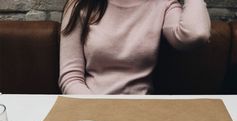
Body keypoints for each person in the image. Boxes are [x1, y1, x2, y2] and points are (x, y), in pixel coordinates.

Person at [59, 0, 211, 95]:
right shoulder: (80, 4)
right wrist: (99, 109)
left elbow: (196, 34)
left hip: (141, 109)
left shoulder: (162, 3)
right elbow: (71, 78)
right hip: (90, 107)